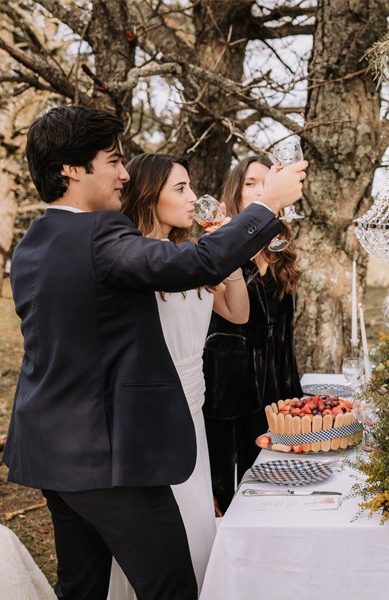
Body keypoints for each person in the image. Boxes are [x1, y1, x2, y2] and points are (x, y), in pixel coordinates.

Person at [5, 105, 306, 600]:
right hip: (111, 458)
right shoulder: (100, 235)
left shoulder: (33, 242)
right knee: (171, 589)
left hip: (48, 452)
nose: (124, 174)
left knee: (82, 590)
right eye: (113, 161)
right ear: (71, 169)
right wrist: (266, 205)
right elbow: (201, 260)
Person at [105, 154, 250, 598]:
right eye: (180, 189)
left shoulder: (193, 257)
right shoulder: (130, 259)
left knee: (196, 525)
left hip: (194, 409)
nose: (192, 198)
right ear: (150, 195)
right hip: (151, 416)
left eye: (191, 188)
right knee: (160, 533)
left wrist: (229, 249)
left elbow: (239, 313)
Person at [203, 155, 304, 513]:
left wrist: (295, 402)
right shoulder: (218, 249)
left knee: (277, 496)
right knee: (230, 501)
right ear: (236, 193)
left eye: (267, 182)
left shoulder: (281, 258)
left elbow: (285, 339)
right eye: (251, 183)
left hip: (274, 400)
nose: (261, 189)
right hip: (228, 403)